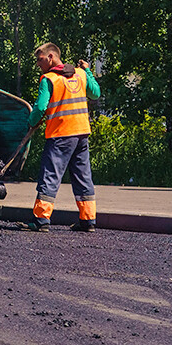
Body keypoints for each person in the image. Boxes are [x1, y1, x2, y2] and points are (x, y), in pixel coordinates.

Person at [20, 42, 101, 232]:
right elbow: (95, 94)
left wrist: (31, 122)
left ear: (51, 57)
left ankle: (40, 220)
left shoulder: (48, 79)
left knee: (50, 176)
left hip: (60, 136)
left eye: (40, 60)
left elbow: (40, 107)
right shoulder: (80, 74)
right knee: (83, 177)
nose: (38, 65)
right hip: (81, 134)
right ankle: (88, 220)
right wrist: (88, 72)